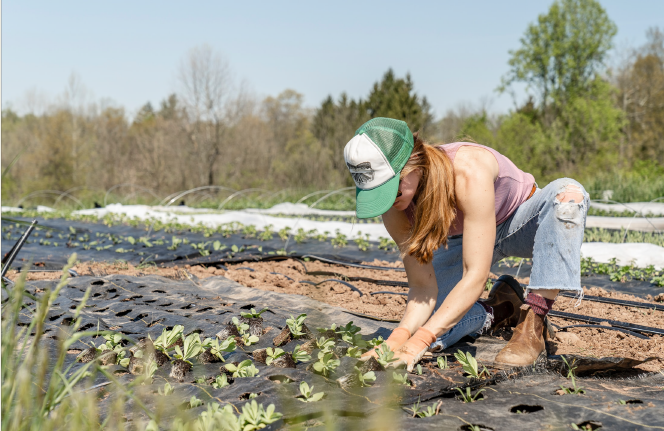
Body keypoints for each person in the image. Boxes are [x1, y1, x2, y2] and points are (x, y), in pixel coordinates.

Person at [344, 117, 588, 370]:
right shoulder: (395, 207)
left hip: (520, 223)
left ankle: (533, 323)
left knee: (568, 195)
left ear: (413, 164)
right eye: (377, 194)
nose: (389, 201)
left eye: (391, 189)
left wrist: (420, 340)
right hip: (466, 239)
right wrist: (399, 338)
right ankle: (500, 309)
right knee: (435, 323)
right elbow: (422, 288)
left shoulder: (467, 170)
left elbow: (476, 276)